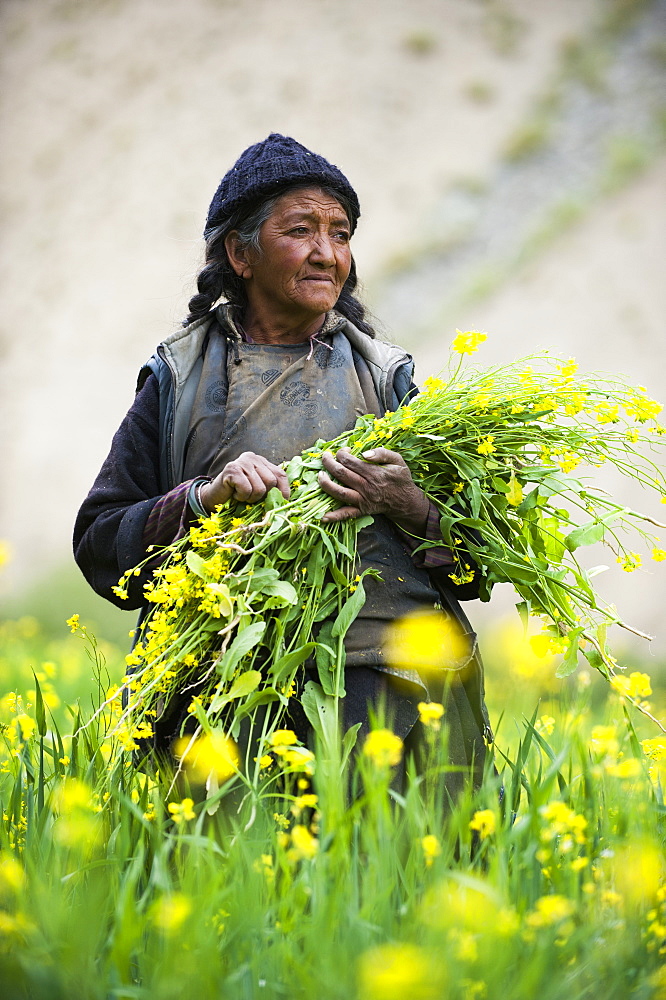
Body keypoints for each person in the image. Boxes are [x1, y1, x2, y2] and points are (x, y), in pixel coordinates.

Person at [74, 134, 491, 794]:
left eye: (341, 233)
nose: (329, 253)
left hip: (394, 695)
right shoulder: (179, 380)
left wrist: (406, 502)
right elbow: (102, 548)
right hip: (220, 698)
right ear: (241, 254)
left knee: (388, 886)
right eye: (301, 230)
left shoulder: (390, 383)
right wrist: (202, 499)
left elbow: (479, 566)